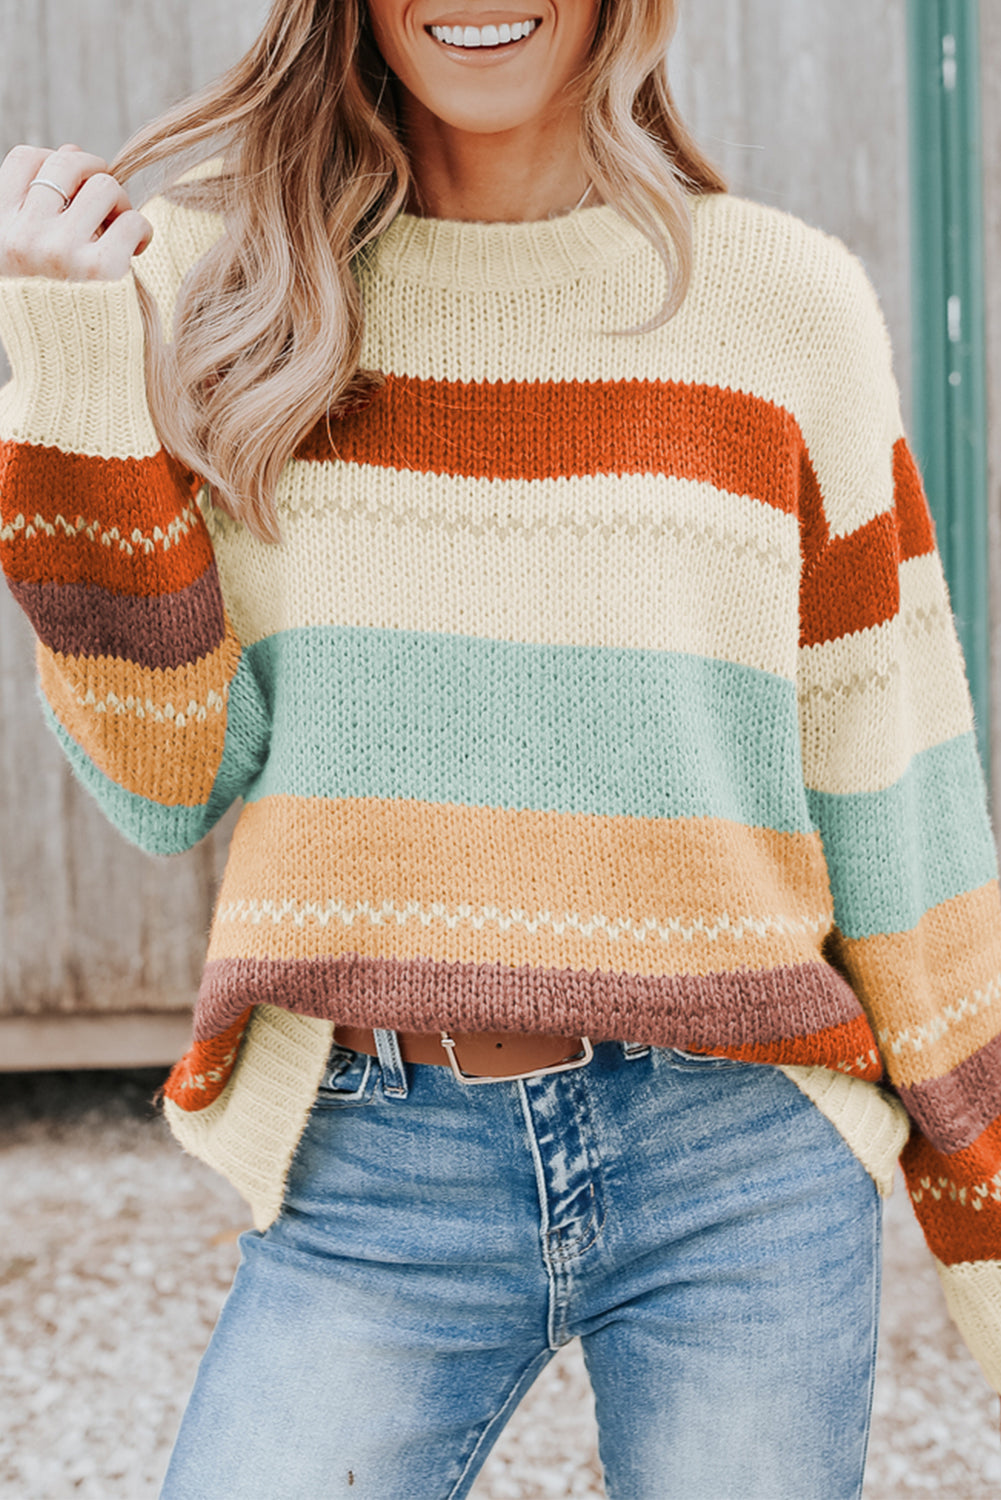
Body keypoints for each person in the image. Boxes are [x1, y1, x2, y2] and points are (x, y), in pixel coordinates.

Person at [1, 0, 1000, 1494]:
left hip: (740, 1159)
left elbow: (891, 775)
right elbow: (166, 785)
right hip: (375, 1163)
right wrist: (71, 360)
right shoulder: (215, 295)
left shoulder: (783, 306)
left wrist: (979, 1194)